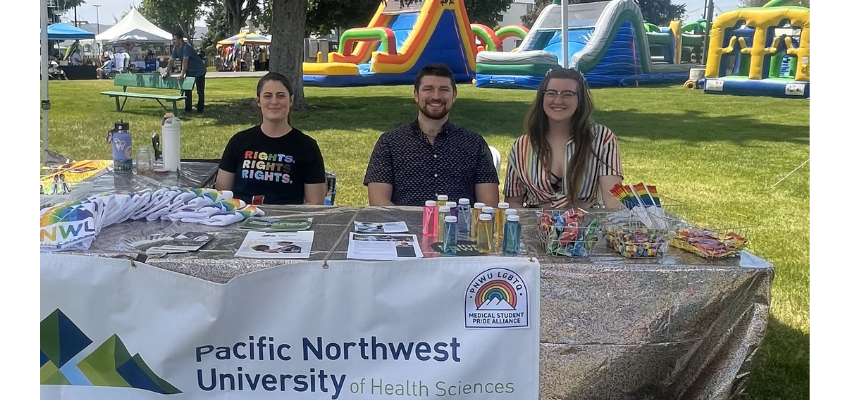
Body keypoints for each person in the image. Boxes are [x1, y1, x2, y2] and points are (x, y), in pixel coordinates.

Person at [363, 63, 500, 207]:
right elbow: (379, 202)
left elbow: (489, 205)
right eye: (428, 89)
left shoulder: (474, 144)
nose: (436, 96)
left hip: (460, 228)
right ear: (416, 95)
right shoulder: (390, 143)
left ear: (454, 95)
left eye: (444, 90)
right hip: (404, 228)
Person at [503, 67, 624, 210]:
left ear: (580, 100)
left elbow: (613, 201)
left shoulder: (603, 139)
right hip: (534, 227)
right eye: (551, 93)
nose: (558, 100)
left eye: (567, 94)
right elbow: (513, 202)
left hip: (585, 228)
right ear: (542, 97)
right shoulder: (522, 145)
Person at [215, 72, 327, 205]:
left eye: (280, 96)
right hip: (241, 219)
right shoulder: (239, 141)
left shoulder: (307, 146)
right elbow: (222, 193)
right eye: (267, 96)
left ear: (290, 101)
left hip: (286, 222)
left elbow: (315, 203)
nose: (274, 101)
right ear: (258, 102)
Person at [163, 31, 206, 113]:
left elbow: (185, 61)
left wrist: (182, 74)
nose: (173, 41)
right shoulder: (175, 49)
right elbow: (171, 61)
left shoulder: (186, 47)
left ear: (180, 40)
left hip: (199, 70)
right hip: (190, 71)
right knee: (187, 90)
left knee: (200, 91)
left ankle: (200, 110)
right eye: (173, 39)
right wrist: (166, 72)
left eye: (175, 39)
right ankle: (188, 109)